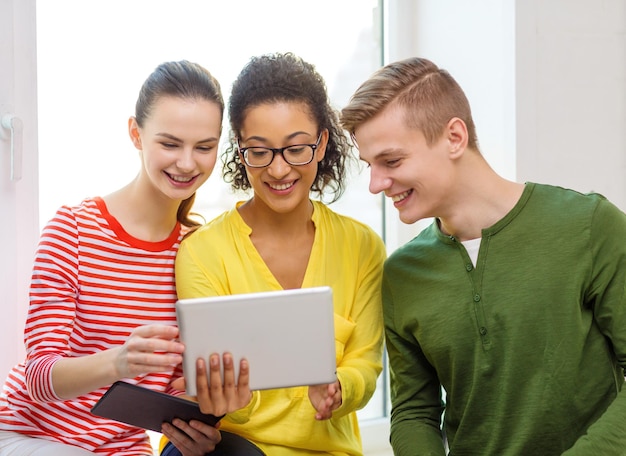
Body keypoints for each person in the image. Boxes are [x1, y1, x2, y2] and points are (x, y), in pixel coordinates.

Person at [339, 56, 626, 455]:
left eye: (391, 161)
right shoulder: (402, 273)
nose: (375, 183)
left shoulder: (590, 226)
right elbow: (414, 411)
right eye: (369, 165)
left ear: (454, 137)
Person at [0, 60, 244, 455]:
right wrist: (120, 362)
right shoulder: (73, 229)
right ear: (136, 134)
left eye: (204, 147)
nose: (187, 163)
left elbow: (181, 386)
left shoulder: (198, 251)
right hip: (31, 436)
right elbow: (40, 379)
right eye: (169, 143)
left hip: (122, 448)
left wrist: (207, 414)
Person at [161, 52, 387, 456]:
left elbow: (365, 365)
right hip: (231, 447)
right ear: (239, 151)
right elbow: (210, 383)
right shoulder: (202, 253)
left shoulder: (362, 246)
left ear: (322, 144)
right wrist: (231, 402)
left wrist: (340, 389)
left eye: (296, 148)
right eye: (259, 151)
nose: (279, 170)